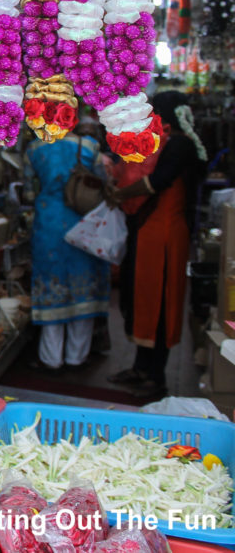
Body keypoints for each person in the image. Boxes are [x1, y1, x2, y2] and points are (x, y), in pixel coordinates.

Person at [107, 91, 208, 396]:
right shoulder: (174, 142)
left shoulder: (180, 145)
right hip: (152, 228)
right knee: (143, 296)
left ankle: (156, 376)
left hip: (165, 234)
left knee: (160, 301)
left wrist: (119, 194)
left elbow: (158, 181)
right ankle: (141, 367)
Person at [24, 126, 111, 371]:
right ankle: (77, 357)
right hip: (83, 225)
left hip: (48, 224)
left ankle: (51, 359)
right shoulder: (90, 147)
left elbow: (29, 193)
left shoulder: (33, 149)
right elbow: (102, 186)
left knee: (52, 286)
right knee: (83, 288)